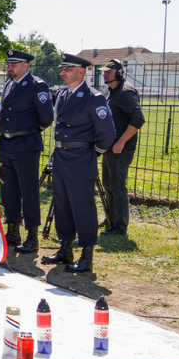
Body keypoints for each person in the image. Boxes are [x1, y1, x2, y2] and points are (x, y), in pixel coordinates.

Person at [41, 54, 116, 273]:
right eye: (62, 69)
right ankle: (65, 249)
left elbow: (107, 134)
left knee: (83, 208)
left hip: (81, 159)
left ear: (81, 71)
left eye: (67, 69)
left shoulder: (93, 98)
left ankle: (86, 256)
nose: (62, 72)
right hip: (62, 157)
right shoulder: (63, 95)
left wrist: (92, 153)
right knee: (62, 205)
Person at [0, 50, 55, 253]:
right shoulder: (9, 84)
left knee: (29, 192)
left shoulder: (36, 85)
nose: (10, 68)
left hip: (26, 144)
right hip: (6, 144)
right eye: (8, 65)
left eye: (13, 64)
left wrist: (28, 130)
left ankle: (32, 236)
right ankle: (12, 231)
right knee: (8, 190)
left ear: (25, 65)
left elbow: (47, 117)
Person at [100, 59, 145, 237]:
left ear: (118, 73)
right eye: (104, 72)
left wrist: (122, 142)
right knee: (108, 185)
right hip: (109, 148)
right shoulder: (112, 91)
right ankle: (111, 219)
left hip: (120, 149)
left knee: (117, 186)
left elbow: (138, 119)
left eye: (108, 71)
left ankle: (120, 226)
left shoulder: (126, 92)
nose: (105, 74)